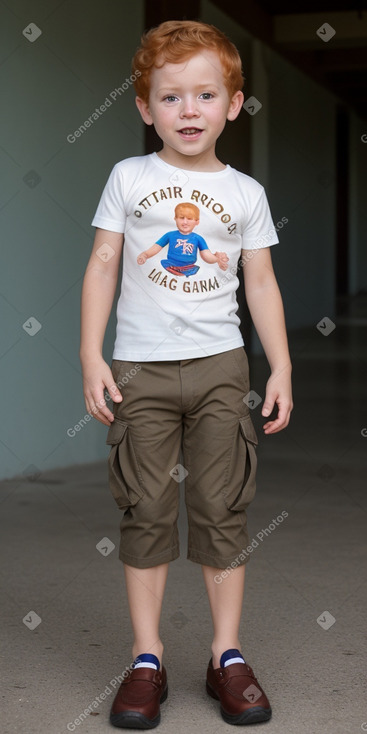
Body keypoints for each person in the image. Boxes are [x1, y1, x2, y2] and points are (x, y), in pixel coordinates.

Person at [79, 19, 293, 729]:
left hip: (221, 369)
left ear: (234, 103)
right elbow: (105, 263)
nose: (189, 110)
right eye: (170, 98)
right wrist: (90, 354)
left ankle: (226, 655)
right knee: (143, 510)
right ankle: (147, 659)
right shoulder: (128, 178)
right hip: (139, 369)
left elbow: (259, 281)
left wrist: (281, 366)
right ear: (144, 108)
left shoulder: (244, 192)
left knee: (222, 509)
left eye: (205, 94)